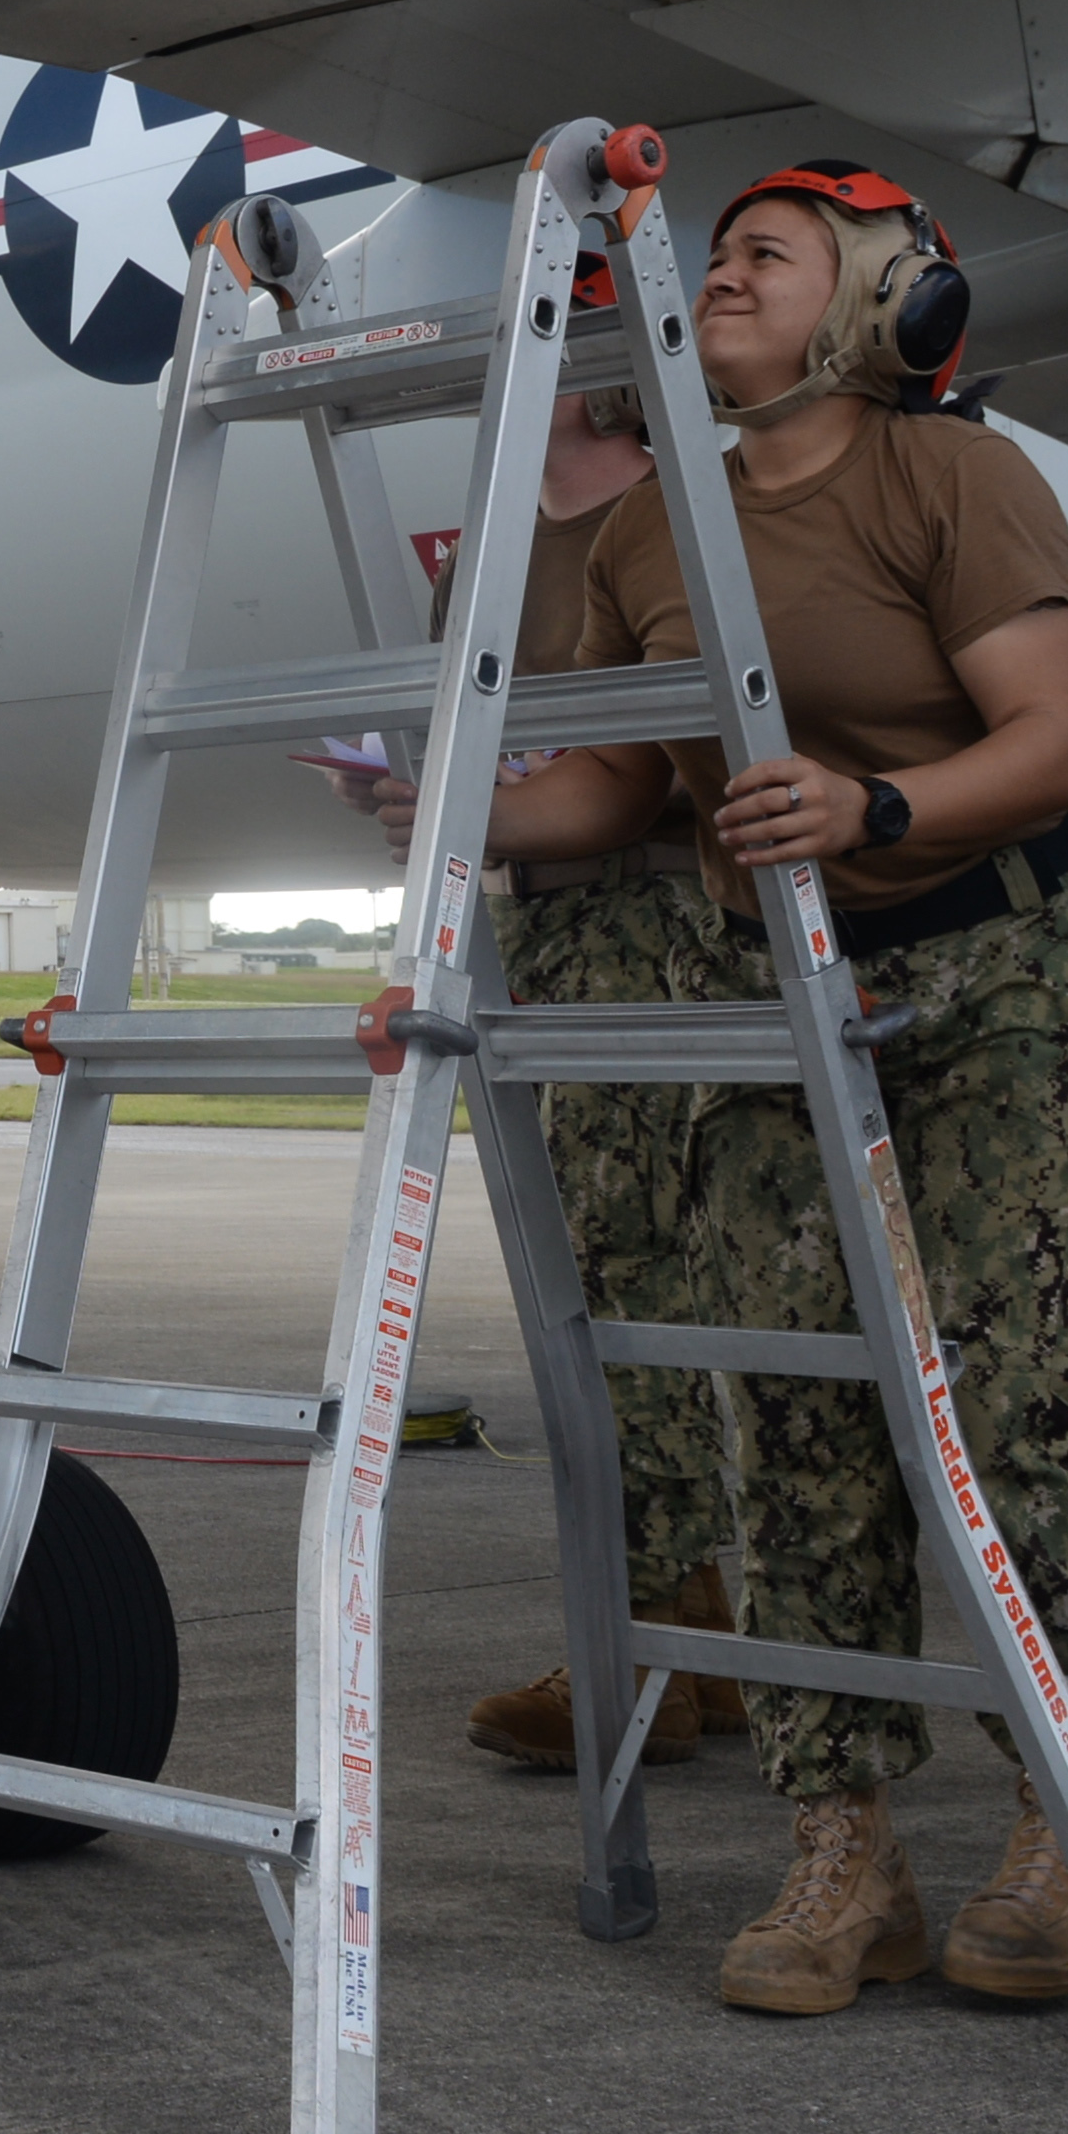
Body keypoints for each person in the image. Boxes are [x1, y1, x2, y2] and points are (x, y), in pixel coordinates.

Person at [450, 164, 1068, 2019]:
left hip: (1002, 976)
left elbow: (1058, 742)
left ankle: (1063, 1820)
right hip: (785, 988)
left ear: (877, 301)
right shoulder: (645, 535)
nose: (717, 278)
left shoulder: (951, 479)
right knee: (791, 1417)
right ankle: (844, 1845)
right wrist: (453, 807)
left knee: (1021, 1400)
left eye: (762, 255)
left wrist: (878, 804)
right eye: (709, 260)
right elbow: (621, 789)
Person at [385, 391, 749, 1773]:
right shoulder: (481, 553)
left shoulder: (680, 515)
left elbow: (682, 758)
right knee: (611, 1280)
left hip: (655, 917)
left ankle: (644, 1644)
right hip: (534, 920)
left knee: (626, 1280)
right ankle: (691, 1633)